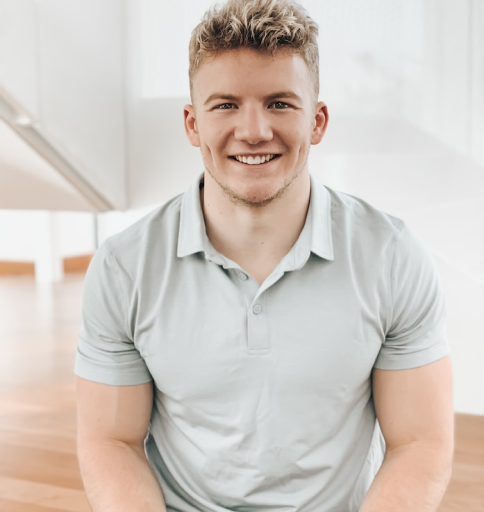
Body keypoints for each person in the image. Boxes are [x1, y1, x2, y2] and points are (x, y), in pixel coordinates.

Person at [75, 0, 454, 511]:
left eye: (279, 103)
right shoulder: (124, 267)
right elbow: (111, 441)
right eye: (225, 105)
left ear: (317, 121)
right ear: (192, 124)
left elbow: (419, 443)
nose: (253, 131)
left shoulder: (392, 257)